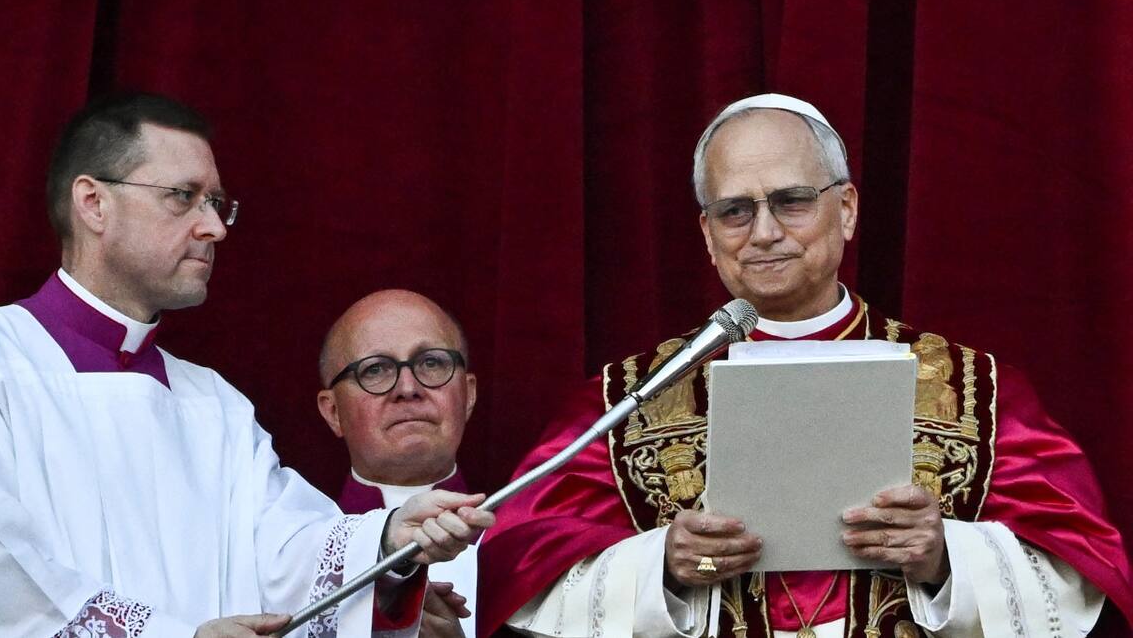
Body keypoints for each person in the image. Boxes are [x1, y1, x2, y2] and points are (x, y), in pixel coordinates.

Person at [477, 94, 1133, 637]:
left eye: (791, 200)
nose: (764, 232)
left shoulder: (972, 388)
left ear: (845, 209)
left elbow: (1080, 569)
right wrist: (663, 567)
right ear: (707, 235)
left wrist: (944, 556)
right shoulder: (633, 397)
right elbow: (519, 564)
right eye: (735, 210)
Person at [0, 93, 493, 638]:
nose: (214, 228)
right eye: (183, 196)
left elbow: (284, 553)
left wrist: (387, 547)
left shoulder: (213, 403)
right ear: (93, 203)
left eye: (216, 203)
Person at [317, 289, 481, 638]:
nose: (408, 388)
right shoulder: (292, 550)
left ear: (468, 395)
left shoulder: (528, 544)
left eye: (432, 363)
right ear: (333, 412)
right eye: (375, 369)